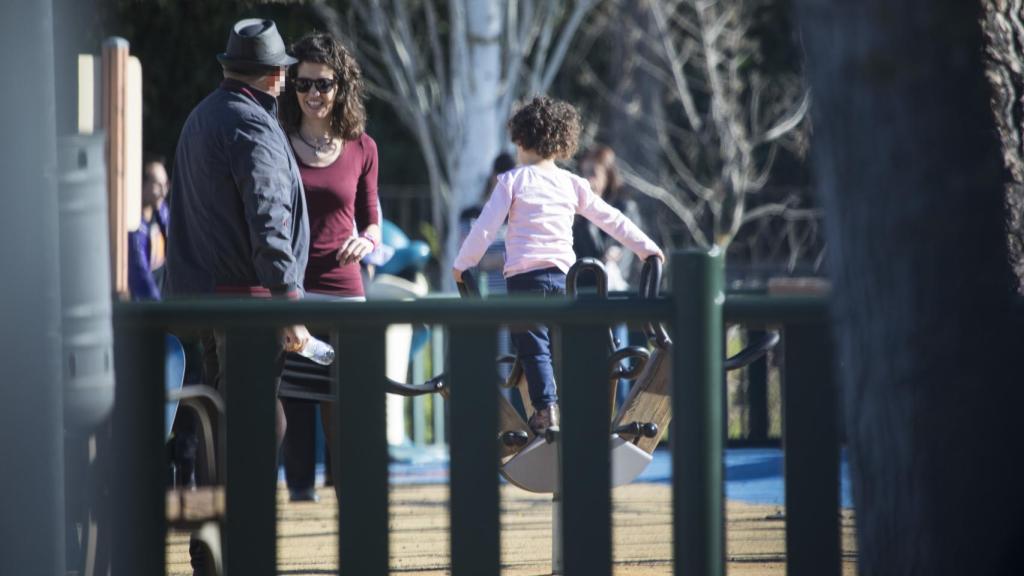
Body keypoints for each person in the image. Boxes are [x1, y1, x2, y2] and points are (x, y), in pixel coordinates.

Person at [163, 20, 311, 572]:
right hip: (246, 301)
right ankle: (230, 547)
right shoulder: (252, 124)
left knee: (220, 430)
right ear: (274, 76)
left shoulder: (202, 115)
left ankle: (212, 547)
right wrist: (287, 299)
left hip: (203, 299)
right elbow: (269, 217)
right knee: (255, 427)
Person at [452, 96, 664, 434]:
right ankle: (582, 409)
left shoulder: (512, 181)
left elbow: (485, 229)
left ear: (521, 140)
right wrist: (647, 248)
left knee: (534, 348)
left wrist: (463, 265)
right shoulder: (572, 183)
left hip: (525, 280)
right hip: (566, 280)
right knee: (566, 348)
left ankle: (546, 409)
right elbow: (611, 219)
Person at [276, 32, 380, 501]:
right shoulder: (276, 142)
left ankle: (352, 505)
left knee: (346, 408)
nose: (314, 94)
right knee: (295, 405)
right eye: (304, 84)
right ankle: (300, 497)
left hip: (345, 293)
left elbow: (371, 218)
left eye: (324, 84)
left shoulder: (363, 147)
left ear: (341, 86)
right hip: (293, 292)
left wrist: (366, 241)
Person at [571, 144, 645, 291]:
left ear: (607, 175)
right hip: (582, 289)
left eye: (593, 173)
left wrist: (592, 206)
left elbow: (609, 254)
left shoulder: (625, 208)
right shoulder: (576, 211)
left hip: (614, 288)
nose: (587, 179)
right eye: (583, 173)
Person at [127, 157, 170, 300]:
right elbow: (141, 276)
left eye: (166, 184)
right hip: (146, 307)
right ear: (142, 185)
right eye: (158, 185)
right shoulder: (133, 227)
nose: (164, 191)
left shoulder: (162, 214)